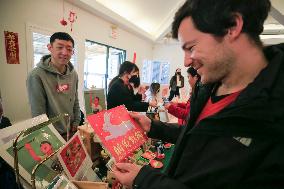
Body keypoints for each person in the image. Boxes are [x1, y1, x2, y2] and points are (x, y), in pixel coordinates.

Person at [113, 0, 284, 188]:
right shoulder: (208, 87)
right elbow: (196, 136)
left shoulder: (273, 115)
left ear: (232, 27)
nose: (186, 62)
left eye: (191, 47)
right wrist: (154, 127)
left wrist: (145, 180)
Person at [27, 32, 80, 139]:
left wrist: (77, 122)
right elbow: (38, 113)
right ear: (50, 47)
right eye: (60, 47)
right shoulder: (36, 75)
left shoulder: (73, 74)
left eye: (69, 49)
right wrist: (48, 137)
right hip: (52, 135)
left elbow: (75, 100)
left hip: (72, 131)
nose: (65, 52)